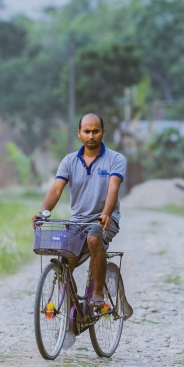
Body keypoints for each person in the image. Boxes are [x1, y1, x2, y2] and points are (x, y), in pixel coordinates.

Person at [33, 113, 126, 312]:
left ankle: (98, 293)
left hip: (105, 220)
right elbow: (56, 189)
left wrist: (106, 213)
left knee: (94, 238)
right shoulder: (68, 161)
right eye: (87, 131)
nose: (91, 135)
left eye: (95, 131)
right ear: (79, 133)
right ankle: (72, 312)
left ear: (103, 132)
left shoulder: (116, 159)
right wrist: (43, 212)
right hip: (77, 222)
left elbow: (113, 189)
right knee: (65, 263)